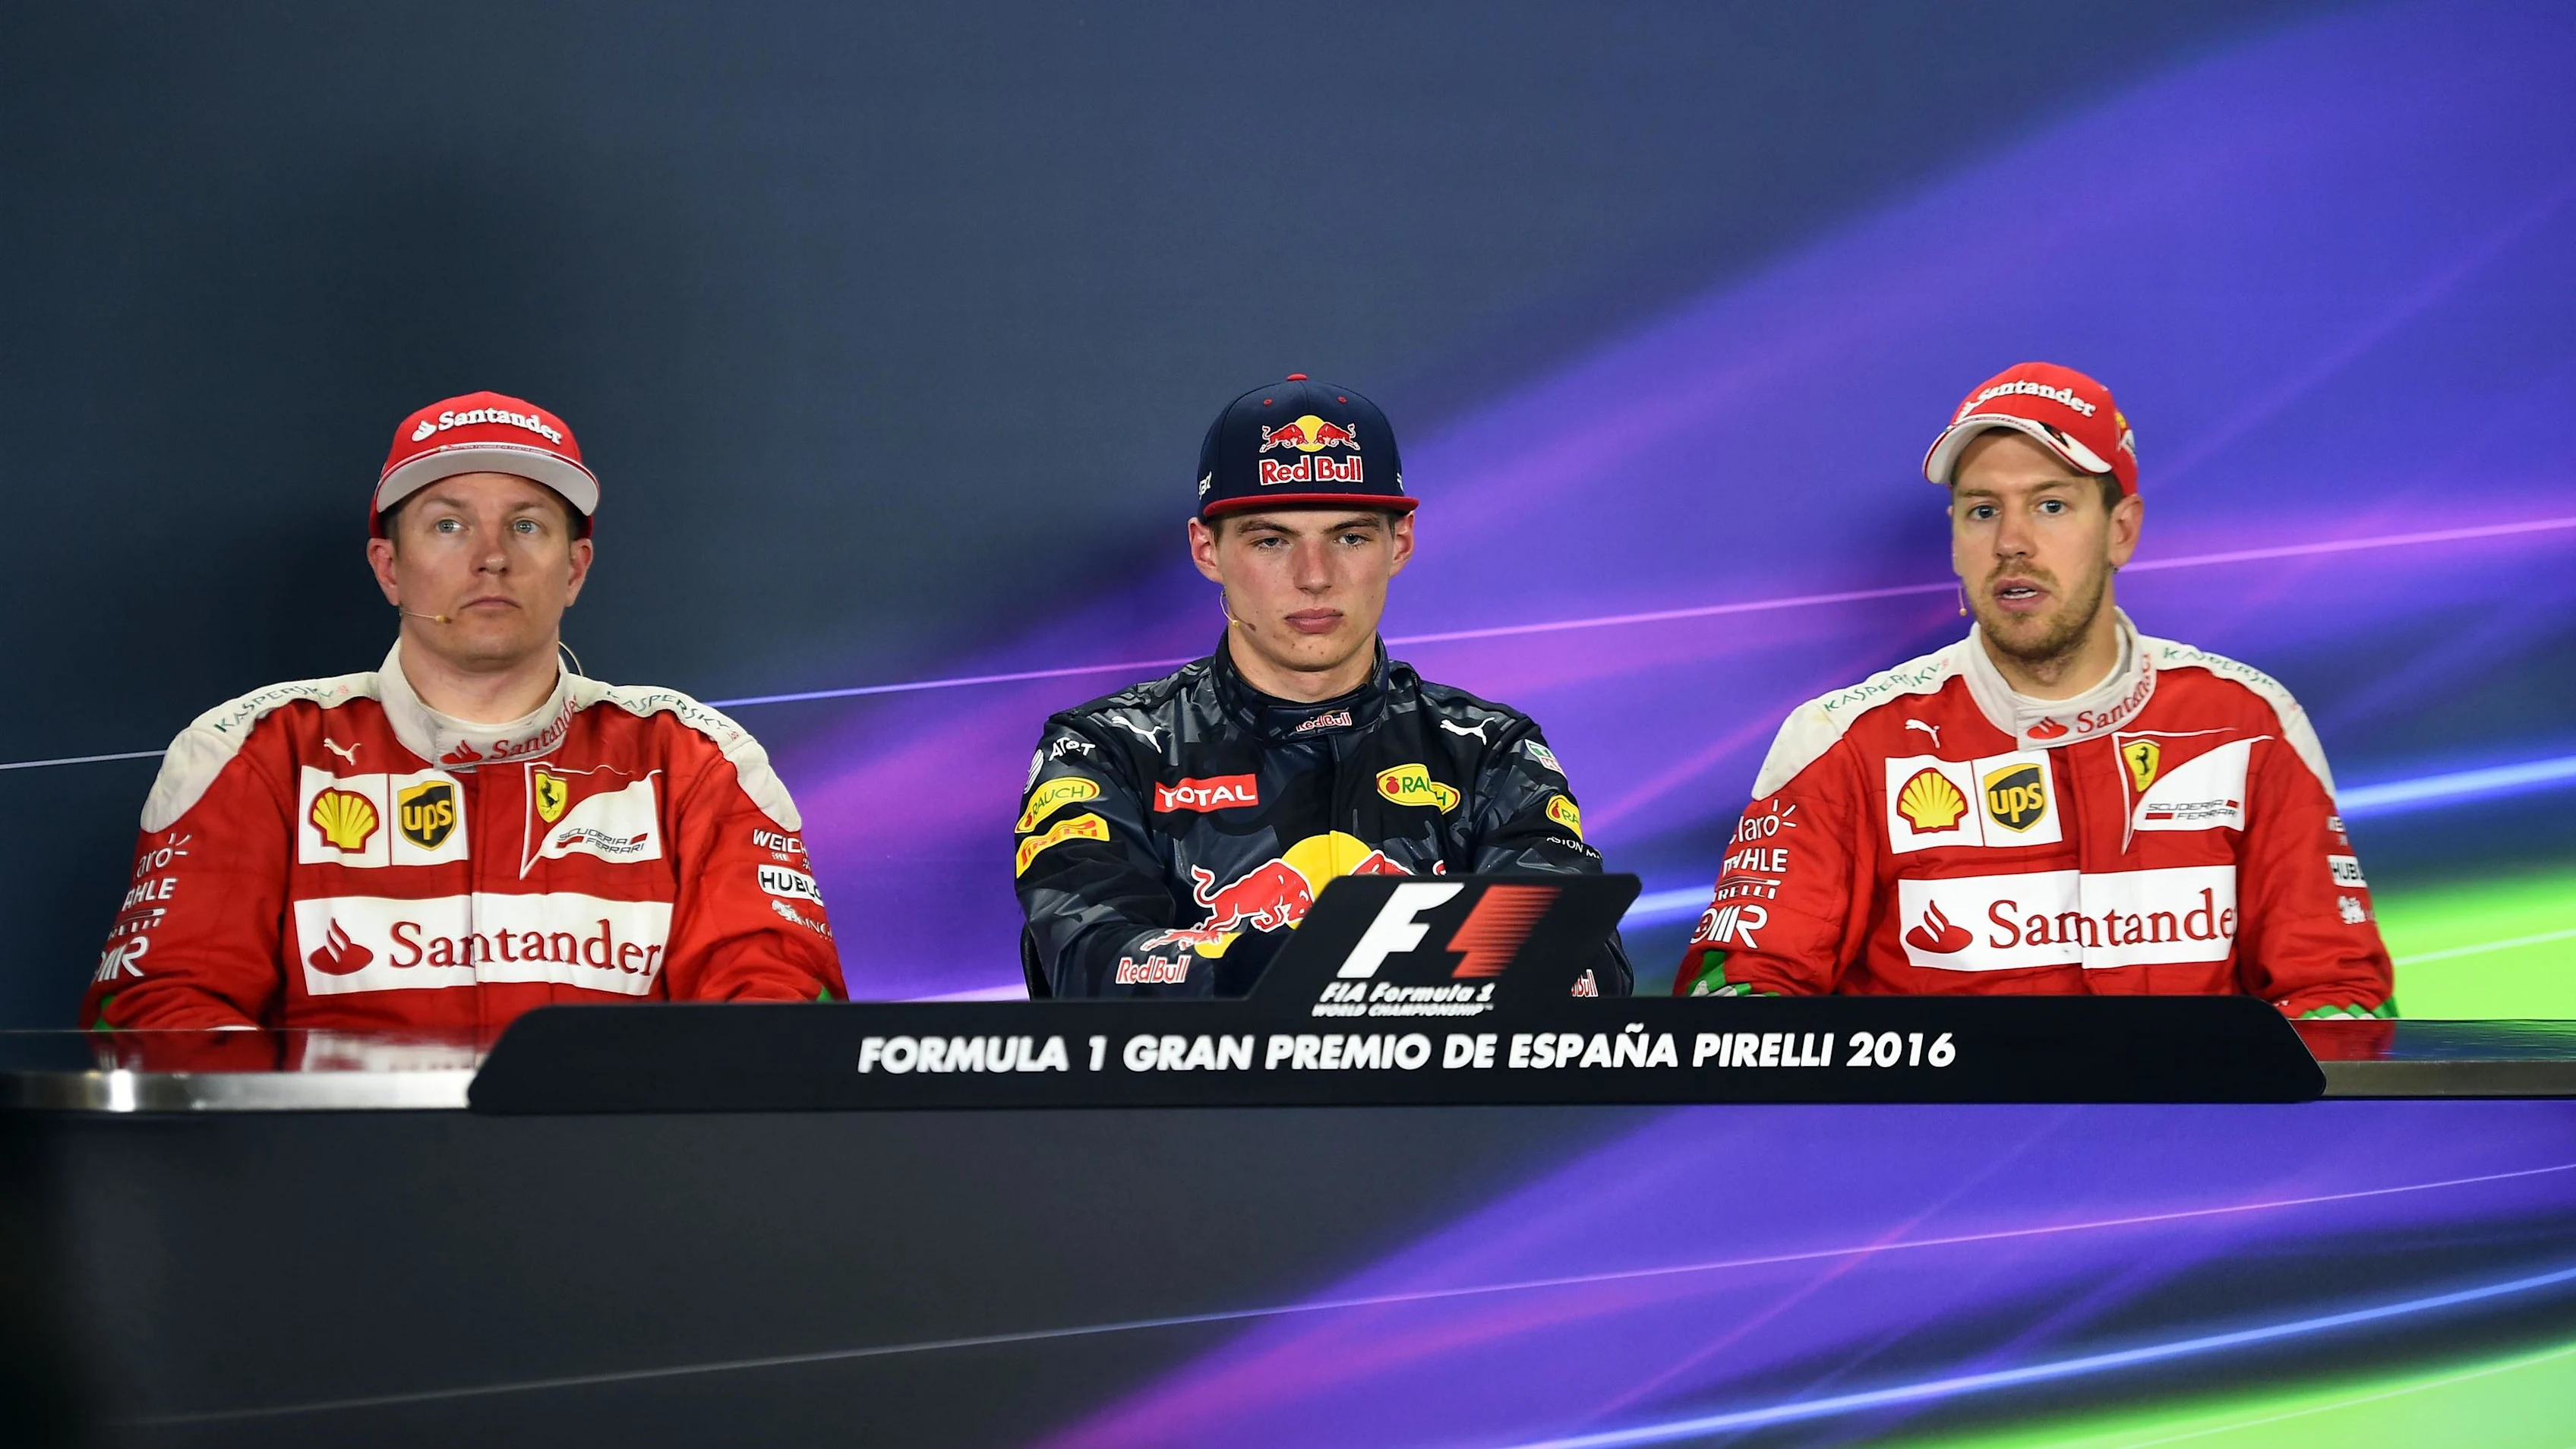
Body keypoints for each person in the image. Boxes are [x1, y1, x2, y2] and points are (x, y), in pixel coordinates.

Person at [82, 391, 845, 1031]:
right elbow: (161, 1012)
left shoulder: (694, 759)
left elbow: (778, 1020)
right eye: (448, 524)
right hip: (326, 1198)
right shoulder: (254, 750)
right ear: (389, 566)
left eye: (527, 525)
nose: (491, 556)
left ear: (574, 568)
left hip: (621, 1199)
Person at [1675, 362, 2393, 1017]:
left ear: (2122, 531)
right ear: (1954, 540)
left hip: (2197, 1155)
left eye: (2050, 506)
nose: (2011, 541)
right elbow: (1738, 1001)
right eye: (1983, 511)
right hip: (1935, 1160)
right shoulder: (1844, 742)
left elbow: (2339, 996)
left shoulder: (2248, 723)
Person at [1015, 374, 1631, 998]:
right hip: (1206, 1099)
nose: (1315, 577)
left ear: (1402, 543)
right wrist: (1333, 972)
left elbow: (1583, 969)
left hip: (1436, 1098)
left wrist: (1306, 974)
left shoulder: (1486, 751)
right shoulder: (1106, 750)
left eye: (1351, 536)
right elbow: (1089, 967)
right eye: (1271, 540)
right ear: (1207, 549)